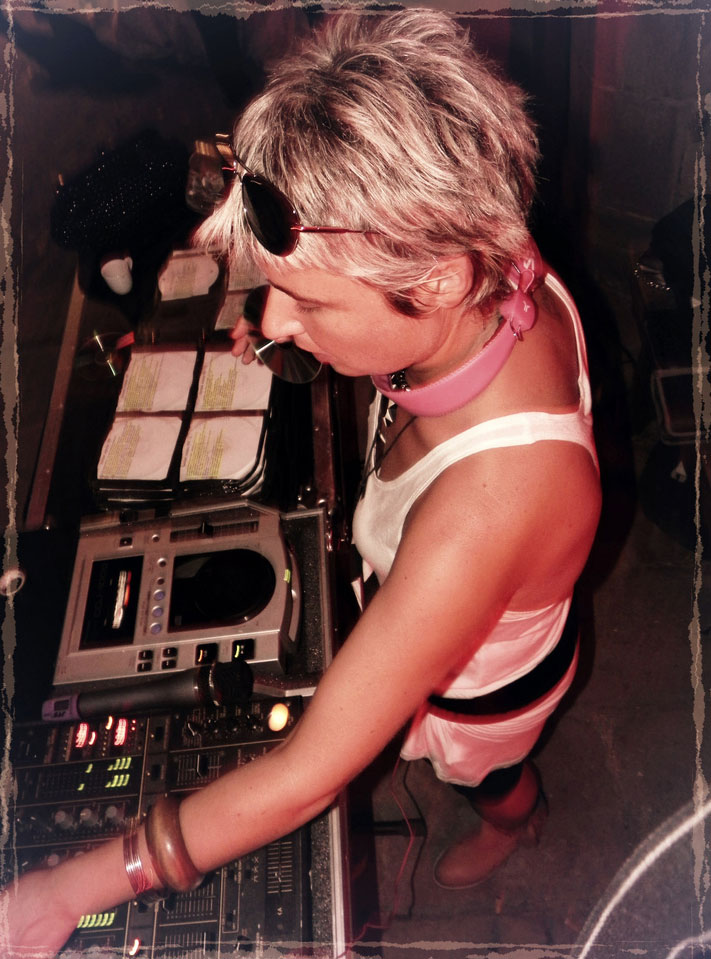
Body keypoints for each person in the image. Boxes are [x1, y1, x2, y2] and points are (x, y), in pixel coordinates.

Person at [2, 8, 601, 954]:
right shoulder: (496, 260)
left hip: (485, 686)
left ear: (437, 282)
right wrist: (308, 320)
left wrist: (65, 888)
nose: (276, 321)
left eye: (309, 301)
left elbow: (309, 773)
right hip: (440, 588)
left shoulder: (491, 504)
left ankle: (514, 820)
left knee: (481, 772)